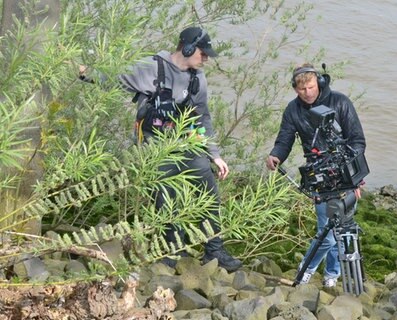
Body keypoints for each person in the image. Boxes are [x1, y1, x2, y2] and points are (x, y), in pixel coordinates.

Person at [117, 26, 242, 272]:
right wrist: (81, 72)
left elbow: (203, 118)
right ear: (187, 48)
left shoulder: (198, 78)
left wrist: (214, 155)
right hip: (155, 145)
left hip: (186, 143)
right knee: (167, 197)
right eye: (203, 53)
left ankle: (214, 249)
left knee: (208, 193)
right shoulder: (150, 68)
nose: (206, 58)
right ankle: (170, 251)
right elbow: (111, 76)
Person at [266, 63, 366, 288]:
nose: (307, 93)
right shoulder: (293, 110)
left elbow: (358, 141)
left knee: (342, 229)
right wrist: (275, 155)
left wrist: (353, 175)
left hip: (346, 174)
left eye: (311, 87)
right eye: (302, 90)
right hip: (319, 175)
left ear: (319, 83)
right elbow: (285, 139)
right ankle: (307, 269)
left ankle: (332, 274)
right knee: (327, 232)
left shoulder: (340, 102)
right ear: (295, 89)